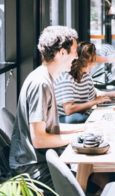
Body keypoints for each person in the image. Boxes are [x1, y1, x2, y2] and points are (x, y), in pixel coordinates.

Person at [9, 26, 81, 190]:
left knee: (96, 176)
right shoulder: (41, 83)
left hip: (37, 162)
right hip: (31, 169)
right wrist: (77, 139)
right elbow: (39, 139)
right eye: (75, 51)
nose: (77, 56)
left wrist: (84, 130)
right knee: (95, 180)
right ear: (62, 53)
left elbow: (48, 129)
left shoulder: (43, 77)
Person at [55, 42, 115, 124]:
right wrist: (93, 102)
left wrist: (114, 93)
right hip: (64, 117)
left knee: (93, 116)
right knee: (79, 118)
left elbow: (95, 96)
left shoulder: (86, 77)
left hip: (80, 114)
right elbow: (68, 109)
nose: (94, 63)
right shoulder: (67, 77)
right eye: (92, 60)